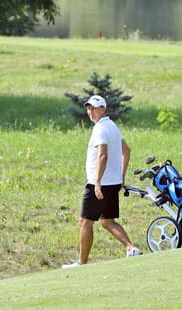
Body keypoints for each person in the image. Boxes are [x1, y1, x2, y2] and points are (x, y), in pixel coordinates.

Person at [62, 95, 142, 268]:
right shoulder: (112, 126)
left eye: (94, 108)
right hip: (112, 183)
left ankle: (82, 262)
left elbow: (103, 155)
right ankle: (130, 248)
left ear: (103, 109)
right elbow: (126, 151)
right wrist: (121, 177)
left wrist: (97, 182)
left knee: (85, 222)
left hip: (98, 184)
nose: (91, 111)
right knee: (107, 221)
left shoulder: (100, 129)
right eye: (88, 108)